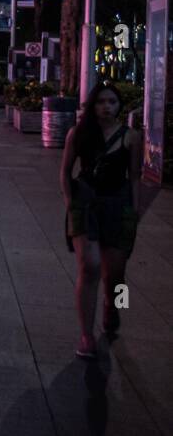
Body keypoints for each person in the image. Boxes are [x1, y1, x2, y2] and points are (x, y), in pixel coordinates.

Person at [60, 82, 141, 360]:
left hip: (118, 206)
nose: (107, 106)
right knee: (90, 265)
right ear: (92, 105)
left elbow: (134, 177)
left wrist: (135, 210)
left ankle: (112, 305)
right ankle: (86, 334)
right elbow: (65, 173)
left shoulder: (131, 137)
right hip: (85, 204)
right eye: (101, 101)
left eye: (113, 102)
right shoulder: (78, 134)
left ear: (119, 106)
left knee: (115, 274)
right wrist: (70, 204)